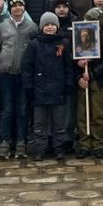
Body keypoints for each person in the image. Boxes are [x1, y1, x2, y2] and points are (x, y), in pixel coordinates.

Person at [22, 12, 77, 160]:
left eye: (53, 24)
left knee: (59, 123)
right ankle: (40, 149)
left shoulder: (63, 43)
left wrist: (68, 84)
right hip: (39, 90)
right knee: (39, 122)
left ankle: (59, 148)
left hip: (58, 90)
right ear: (41, 27)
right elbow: (27, 67)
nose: (50, 27)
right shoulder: (34, 44)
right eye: (47, 25)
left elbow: (68, 67)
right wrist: (29, 87)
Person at [0, 0, 36, 159]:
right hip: (6, 74)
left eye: (20, 5)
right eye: (14, 6)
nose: (17, 8)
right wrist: (3, 62)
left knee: (22, 109)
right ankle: (5, 140)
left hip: (24, 75)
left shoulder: (31, 27)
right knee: (7, 109)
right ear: (9, 9)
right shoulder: (3, 27)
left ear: (24, 8)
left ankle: (21, 141)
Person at [75, 6, 103, 159]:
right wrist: (79, 75)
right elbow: (73, 59)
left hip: (99, 81)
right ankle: (84, 143)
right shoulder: (79, 35)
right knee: (82, 113)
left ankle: (99, 144)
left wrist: (92, 73)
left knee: (98, 114)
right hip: (83, 80)